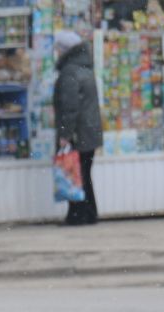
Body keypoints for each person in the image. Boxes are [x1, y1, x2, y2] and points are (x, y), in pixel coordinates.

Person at [52, 30, 102, 225]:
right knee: (84, 174)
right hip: (89, 132)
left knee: (74, 174)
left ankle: (78, 214)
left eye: (57, 48)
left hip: (78, 134)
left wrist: (65, 134)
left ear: (64, 50)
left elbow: (70, 107)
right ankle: (89, 213)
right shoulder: (84, 68)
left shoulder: (69, 72)